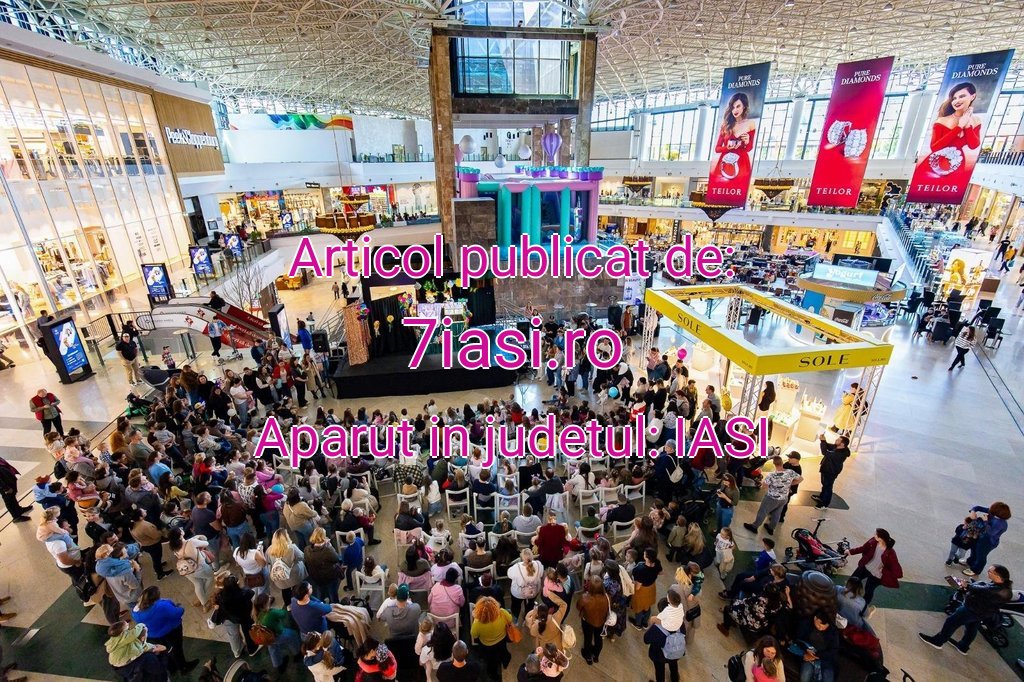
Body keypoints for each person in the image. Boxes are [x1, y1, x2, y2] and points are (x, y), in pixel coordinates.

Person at [919, 564, 1013, 654]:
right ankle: (963, 647)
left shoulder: (996, 590)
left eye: (990, 571)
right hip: (982, 613)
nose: (988, 572)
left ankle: (937, 641)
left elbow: (981, 590)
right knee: (971, 628)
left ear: (997, 576)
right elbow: (983, 591)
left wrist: (966, 585)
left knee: (951, 622)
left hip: (972, 610)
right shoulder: (1004, 587)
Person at [131, 586, 198, 673]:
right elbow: (177, 613)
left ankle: (171, 668)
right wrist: (180, 607)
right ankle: (183, 667)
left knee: (164, 651)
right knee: (177, 648)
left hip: (153, 636)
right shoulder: (161, 606)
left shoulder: (135, 611)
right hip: (170, 631)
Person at [711, 92, 756, 199]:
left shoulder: (750, 123)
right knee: (721, 191)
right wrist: (727, 148)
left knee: (738, 190)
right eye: (733, 107)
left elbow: (749, 148)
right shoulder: (726, 125)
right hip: (725, 161)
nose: (735, 110)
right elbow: (717, 148)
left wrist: (747, 141)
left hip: (741, 162)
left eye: (738, 106)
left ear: (744, 106)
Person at [846, 528, 902, 611]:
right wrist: (850, 552)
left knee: (868, 591)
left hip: (876, 575)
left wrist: (884, 571)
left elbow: (897, 572)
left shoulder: (890, 553)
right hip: (866, 567)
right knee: (852, 580)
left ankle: (863, 608)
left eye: (876, 534)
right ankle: (846, 596)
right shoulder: (873, 541)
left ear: (881, 538)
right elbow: (863, 548)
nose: (874, 535)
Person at [743, 458, 802, 535]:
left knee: (763, 512)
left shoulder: (772, 475)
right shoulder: (790, 472)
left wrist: (770, 486)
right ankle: (771, 528)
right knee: (777, 514)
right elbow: (800, 479)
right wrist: (789, 484)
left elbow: (764, 486)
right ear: (782, 463)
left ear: (774, 464)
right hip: (784, 498)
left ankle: (754, 527)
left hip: (771, 498)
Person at [469, 597, 513, 680]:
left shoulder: (477, 623)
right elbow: (510, 619)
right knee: (503, 652)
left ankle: (493, 674)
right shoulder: (502, 612)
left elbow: (474, 635)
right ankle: (505, 661)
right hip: (501, 640)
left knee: (491, 661)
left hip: (487, 645)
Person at [963, 502, 1011, 577]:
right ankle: (970, 562)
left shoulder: (1001, 524)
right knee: (974, 550)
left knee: (981, 556)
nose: (989, 511)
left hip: (988, 542)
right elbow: (978, 507)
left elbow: (991, 532)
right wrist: (973, 511)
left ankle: (976, 570)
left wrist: (985, 521)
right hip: (981, 536)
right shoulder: (993, 513)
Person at [796, 610, 839, 682]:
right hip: (808, 655)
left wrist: (816, 656)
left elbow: (833, 650)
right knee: (804, 678)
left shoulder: (833, 631)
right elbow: (798, 639)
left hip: (825, 658)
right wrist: (805, 649)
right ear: (815, 618)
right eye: (818, 625)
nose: (820, 628)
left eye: (824, 627)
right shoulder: (806, 624)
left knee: (828, 679)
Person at [576, 576, 609, 665]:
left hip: (587, 621)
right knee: (598, 638)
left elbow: (578, 607)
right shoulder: (607, 597)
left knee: (588, 638)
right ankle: (596, 656)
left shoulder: (584, 598)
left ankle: (587, 656)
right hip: (601, 621)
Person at [813, 435, 849, 510]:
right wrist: (823, 441)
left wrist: (823, 441)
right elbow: (828, 446)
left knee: (828, 487)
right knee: (824, 484)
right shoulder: (838, 447)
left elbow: (825, 452)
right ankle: (822, 497)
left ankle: (825, 504)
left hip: (831, 471)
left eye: (838, 440)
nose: (836, 440)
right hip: (826, 468)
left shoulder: (840, 454)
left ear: (842, 444)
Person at [0, 456, 32, 522]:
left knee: (12, 497)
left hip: (7, 481)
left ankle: (18, 510)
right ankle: (16, 517)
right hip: (4, 485)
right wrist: (6, 488)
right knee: (8, 499)